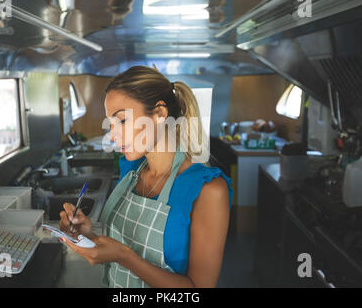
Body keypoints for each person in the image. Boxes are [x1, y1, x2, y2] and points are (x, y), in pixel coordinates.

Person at [59, 66, 233, 288]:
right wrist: (89, 236)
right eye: (110, 124)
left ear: (160, 114)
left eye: (121, 121)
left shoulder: (208, 189)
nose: (112, 136)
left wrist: (124, 256)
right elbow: (127, 245)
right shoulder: (131, 173)